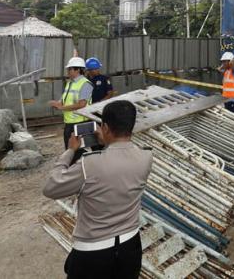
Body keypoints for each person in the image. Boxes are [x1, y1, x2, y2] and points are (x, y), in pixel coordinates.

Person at [43, 100, 153, 279]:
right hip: (130, 246)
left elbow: (51, 188)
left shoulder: (89, 163)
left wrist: (70, 151)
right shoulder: (146, 156)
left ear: (106, 128)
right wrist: (108, 144)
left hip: (93, 252)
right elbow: (119, 164)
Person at [50, 56, 94, 150]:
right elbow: (64, 99)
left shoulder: (85, 84)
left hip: (81, 124)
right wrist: (57, 104)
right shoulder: (70, 83)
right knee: (70, 151)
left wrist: (61, 108)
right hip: (69, 123)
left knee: (79, 152)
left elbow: (82, 104)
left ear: (77, 69)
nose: (68, 71)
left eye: (70, 69)